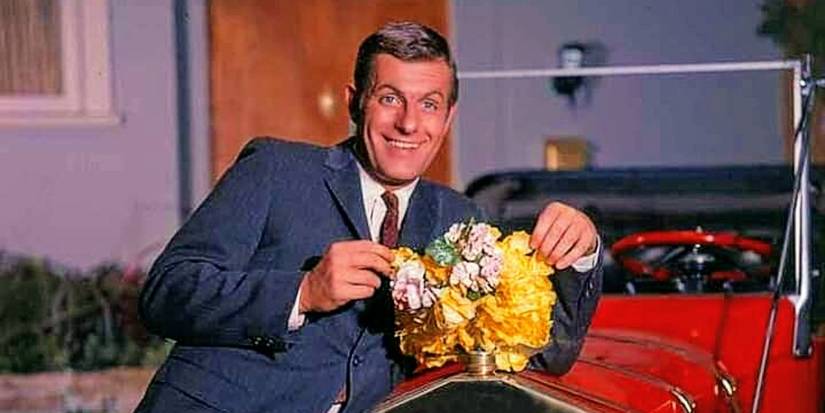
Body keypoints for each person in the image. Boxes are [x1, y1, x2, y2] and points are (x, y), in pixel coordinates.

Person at [136, 21, 602, 413]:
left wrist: (583, 252)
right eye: (390, 98)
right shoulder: (275, 169)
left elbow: (539, 356)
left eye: (429, 104)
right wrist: (302, 293)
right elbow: (165, 293)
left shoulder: (461, 221)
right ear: (355, 102)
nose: (409, 124)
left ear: (448, 117)